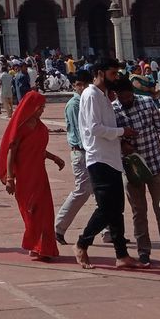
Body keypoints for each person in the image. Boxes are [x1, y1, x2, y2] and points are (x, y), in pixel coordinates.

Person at [73, 60, 144, 271]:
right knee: (106, 208)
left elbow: (106, 128)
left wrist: (121, 140)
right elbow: (95, 129)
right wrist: (123, 132)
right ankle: (82, 243)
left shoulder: (103, 96)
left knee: (117, 210)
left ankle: (121, 255)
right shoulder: (91, 95)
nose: (115, 77)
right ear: (100, 73)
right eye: (112, 73)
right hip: (99, 158)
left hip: (111, 158)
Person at [112, 80, 160, 265]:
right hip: (131, 168)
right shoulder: (112, 110)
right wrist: (122, 144)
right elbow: (110, 137)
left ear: (132, 92)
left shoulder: (146, 102)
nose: (126, 100)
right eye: (122, 97)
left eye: (128, 96)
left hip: (155, 163)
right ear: (117, 95)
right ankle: (143, 250)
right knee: (139, 211)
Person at [0, 90, 63, 261]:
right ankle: (36, 244)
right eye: (40, 107)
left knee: (45, 211)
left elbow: (37, 149)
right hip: (26, 177)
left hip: (40, 174)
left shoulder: (39, 125)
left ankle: (42, 247)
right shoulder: (21, 127)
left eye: (43, 107)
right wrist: (10, 178)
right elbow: (11, 152)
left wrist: (54, 158)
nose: (42, 110)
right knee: (31, 211)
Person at [54, 69, 92, 244]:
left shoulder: (88, 100)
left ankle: (109, 231)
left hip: (90, 151)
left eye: (85, 84)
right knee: (82, 190)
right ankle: (59, 226)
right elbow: (81, 132)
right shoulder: (75, 104)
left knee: (102, 192)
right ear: (74, 86)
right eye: (79, 84)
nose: (82, 87)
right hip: (82, 152)